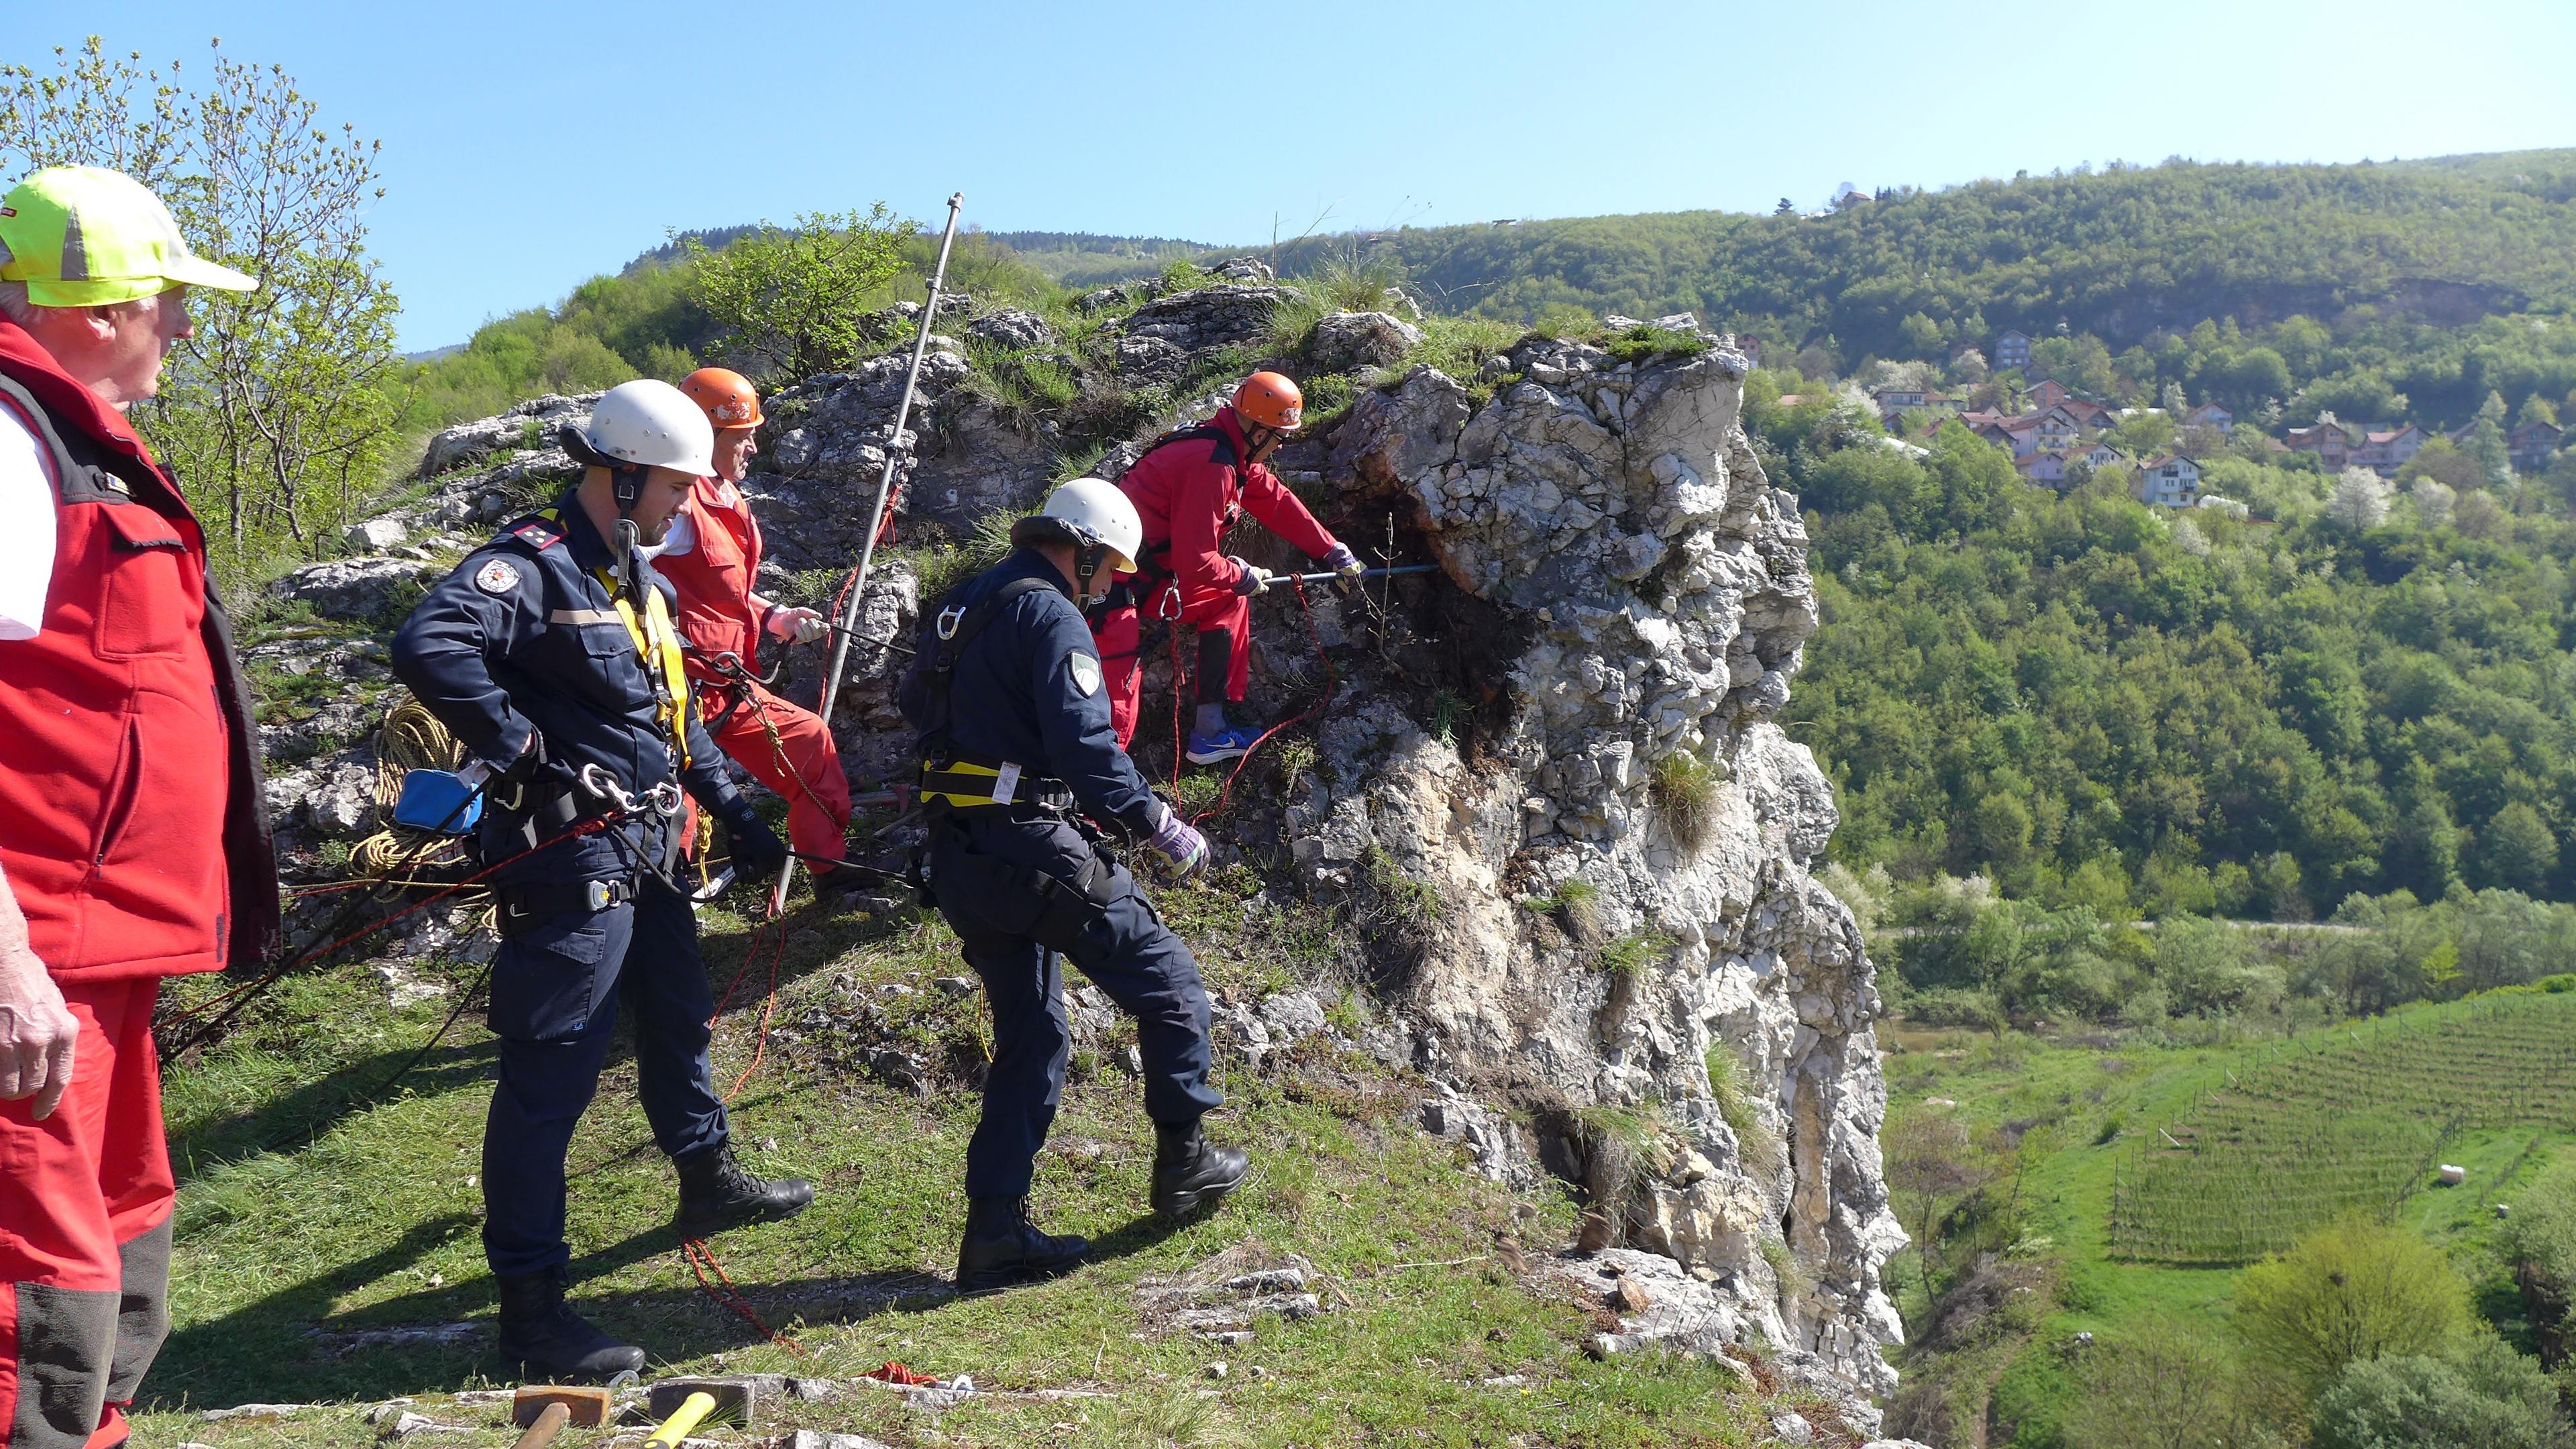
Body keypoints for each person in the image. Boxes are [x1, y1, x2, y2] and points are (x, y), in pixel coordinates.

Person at [391, 379, 813, 1381]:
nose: (685, 503)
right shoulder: (528, 569)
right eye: (674, 485)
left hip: (652, 848)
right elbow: (428, 644)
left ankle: (706, 1176)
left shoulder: (642, 586)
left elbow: (672, 723)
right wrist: (521, 745)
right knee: (552, 1079)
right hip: (573, 860)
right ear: (621, 476)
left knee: (680, 1017)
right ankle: (532, 1311)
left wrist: (742, 815)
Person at [0, 165, 280, 1449]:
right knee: (31, 1300)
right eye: (169, 300)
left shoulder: (77, 441)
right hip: (37, 963)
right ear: (100, 305)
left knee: (118, 1247)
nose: (180, 325)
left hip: (105, 955)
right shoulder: (9, 435)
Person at [899, 479, 1250, 1293]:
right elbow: (1089, 748)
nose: (1107, 589)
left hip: (960, 852)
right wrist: (1159, 826)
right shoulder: (1050, 613)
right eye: (1108, 573)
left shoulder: (965, 604)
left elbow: (920, 704)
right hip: (1027, 845)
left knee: (1034, 1035)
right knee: (1171, 986)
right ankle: (1186, 1163)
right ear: (1084, 550)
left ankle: (994, 1234)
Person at [653, 368, 853, 892]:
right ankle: (663, 910)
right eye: (743, 438)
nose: (754, 449)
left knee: (810, 741)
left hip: (727, 684)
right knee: (677, 808)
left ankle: (830, 870)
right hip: (677, 692)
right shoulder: (673, 504)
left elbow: (728, 590)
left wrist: (774, 616)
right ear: (704, 436)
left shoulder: (726, 494)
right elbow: (622, 576)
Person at [1095, 372, 1364, 761]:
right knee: (1116, 708)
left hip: (1140, 578)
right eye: (1278, 438)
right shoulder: (1212, 465)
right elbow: (1197, 562)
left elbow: (1273, 498)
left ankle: (1210, 731)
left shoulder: (1223, 447)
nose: (1278, 449)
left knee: (1228, 602)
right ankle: (1096, 804)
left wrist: (1331, 549)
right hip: (1111, 592)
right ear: (1258, 430)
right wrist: (1241, 574)